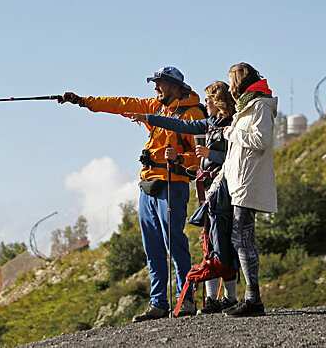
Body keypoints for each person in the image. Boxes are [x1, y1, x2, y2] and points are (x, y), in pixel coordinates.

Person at [59, 66, 205, 321]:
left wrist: (180, 158)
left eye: (159, 83)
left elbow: (202, 158)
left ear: (174, 86)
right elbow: (119, 104)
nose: (155, 88)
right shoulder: (155, 106)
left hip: (173, 185)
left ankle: (186, 301)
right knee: (152, 248)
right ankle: (159, 303)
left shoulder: (192, 114)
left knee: (175, 245)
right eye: (155, 84)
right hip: (147, 186)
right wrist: (82, 101)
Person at [130, 81, 239, 314]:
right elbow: (176, 124)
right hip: (207, 190)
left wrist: (188, 158)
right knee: (208, 244)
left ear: (218, 102)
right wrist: (148, 117)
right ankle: (196, 299)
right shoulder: (208, 122)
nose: (205, 104)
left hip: (222, 190)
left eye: (209, 100)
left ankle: (211, 297)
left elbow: (237, 156)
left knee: (222, 244)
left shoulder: (231, 125)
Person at [212, 62, 278, 317]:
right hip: (239, 182)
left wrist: (231, 134)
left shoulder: (259, 105)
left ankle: (253, 299)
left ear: (240, 81)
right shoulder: (247, 106)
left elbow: (261, 140)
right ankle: (251, 297)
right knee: (240, 237)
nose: (229, 88)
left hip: (248, 182)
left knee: (242, 237)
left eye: (232, 82)